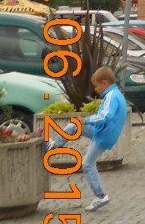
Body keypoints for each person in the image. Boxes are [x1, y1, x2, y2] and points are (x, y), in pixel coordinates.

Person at [46, 66, 128, 212]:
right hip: (104, 133)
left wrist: (87, 120)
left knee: (87, 164)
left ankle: (100, 196)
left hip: (103, 135)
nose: (95, 89)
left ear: (104, 83)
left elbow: (105, 116)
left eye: (96, 86)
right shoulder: (116, 94)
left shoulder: (111, 96)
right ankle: (54, 146)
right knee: (74, 126)